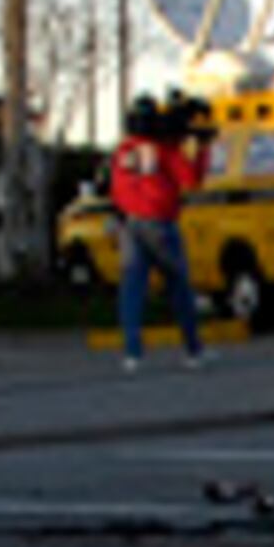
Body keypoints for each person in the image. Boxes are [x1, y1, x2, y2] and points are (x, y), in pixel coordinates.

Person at [107, 97, 202, 373]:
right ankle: (192, 348)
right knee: (178, 284)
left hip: (129, 222)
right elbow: (190, 179)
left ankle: (132, 352)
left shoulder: (124, 152)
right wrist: (199, 150)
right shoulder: (165, 150)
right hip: (160, 222)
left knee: (132, 288)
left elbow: (114, 186)